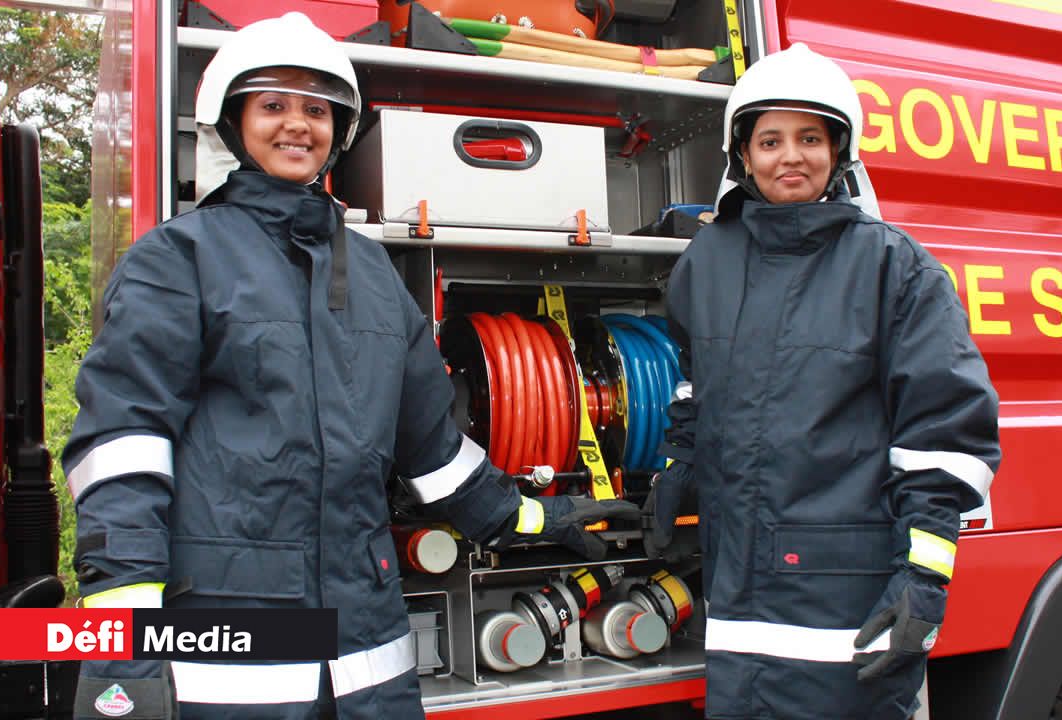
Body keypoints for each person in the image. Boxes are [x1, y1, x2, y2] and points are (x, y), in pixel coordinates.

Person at [63, 12, 636, 720]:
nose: (296, 125)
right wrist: (122, 644)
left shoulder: (370, 275)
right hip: (227, 657)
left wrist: (533, 519)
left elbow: (432, 451)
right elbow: (122, 448)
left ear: (339, 127)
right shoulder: (178, 261)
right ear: (235, 119)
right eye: (273, 105)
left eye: (316, 108)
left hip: (367, 657)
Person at [643, 43, 1001, 719]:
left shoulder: (896, 269)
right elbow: (697, 382)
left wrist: (924, 579)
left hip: (846, 605)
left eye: (810, 137)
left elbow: (945, 436)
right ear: (742, 155)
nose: (791, 157)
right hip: (739, 597)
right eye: (770, 139)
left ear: (839, 150)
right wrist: (679, 463)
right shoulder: (707, 262)